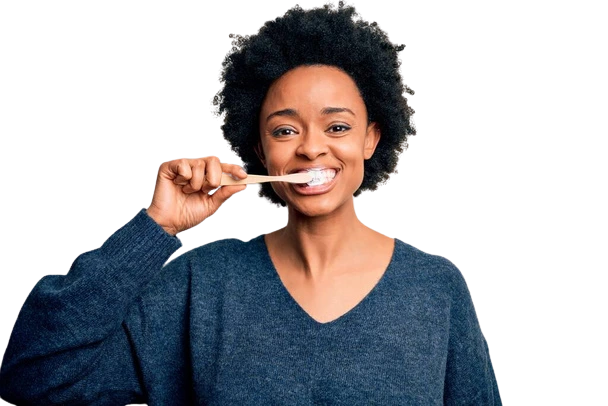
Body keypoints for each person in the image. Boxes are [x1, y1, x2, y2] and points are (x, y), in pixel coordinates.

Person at [0, 9, 503, 405]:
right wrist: (158, 227)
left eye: (338, 127)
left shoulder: (435, 291)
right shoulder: (198, 286)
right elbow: (36, 381)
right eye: (285, 130)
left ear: (371, 139)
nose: (310, 148)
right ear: (261, 151)